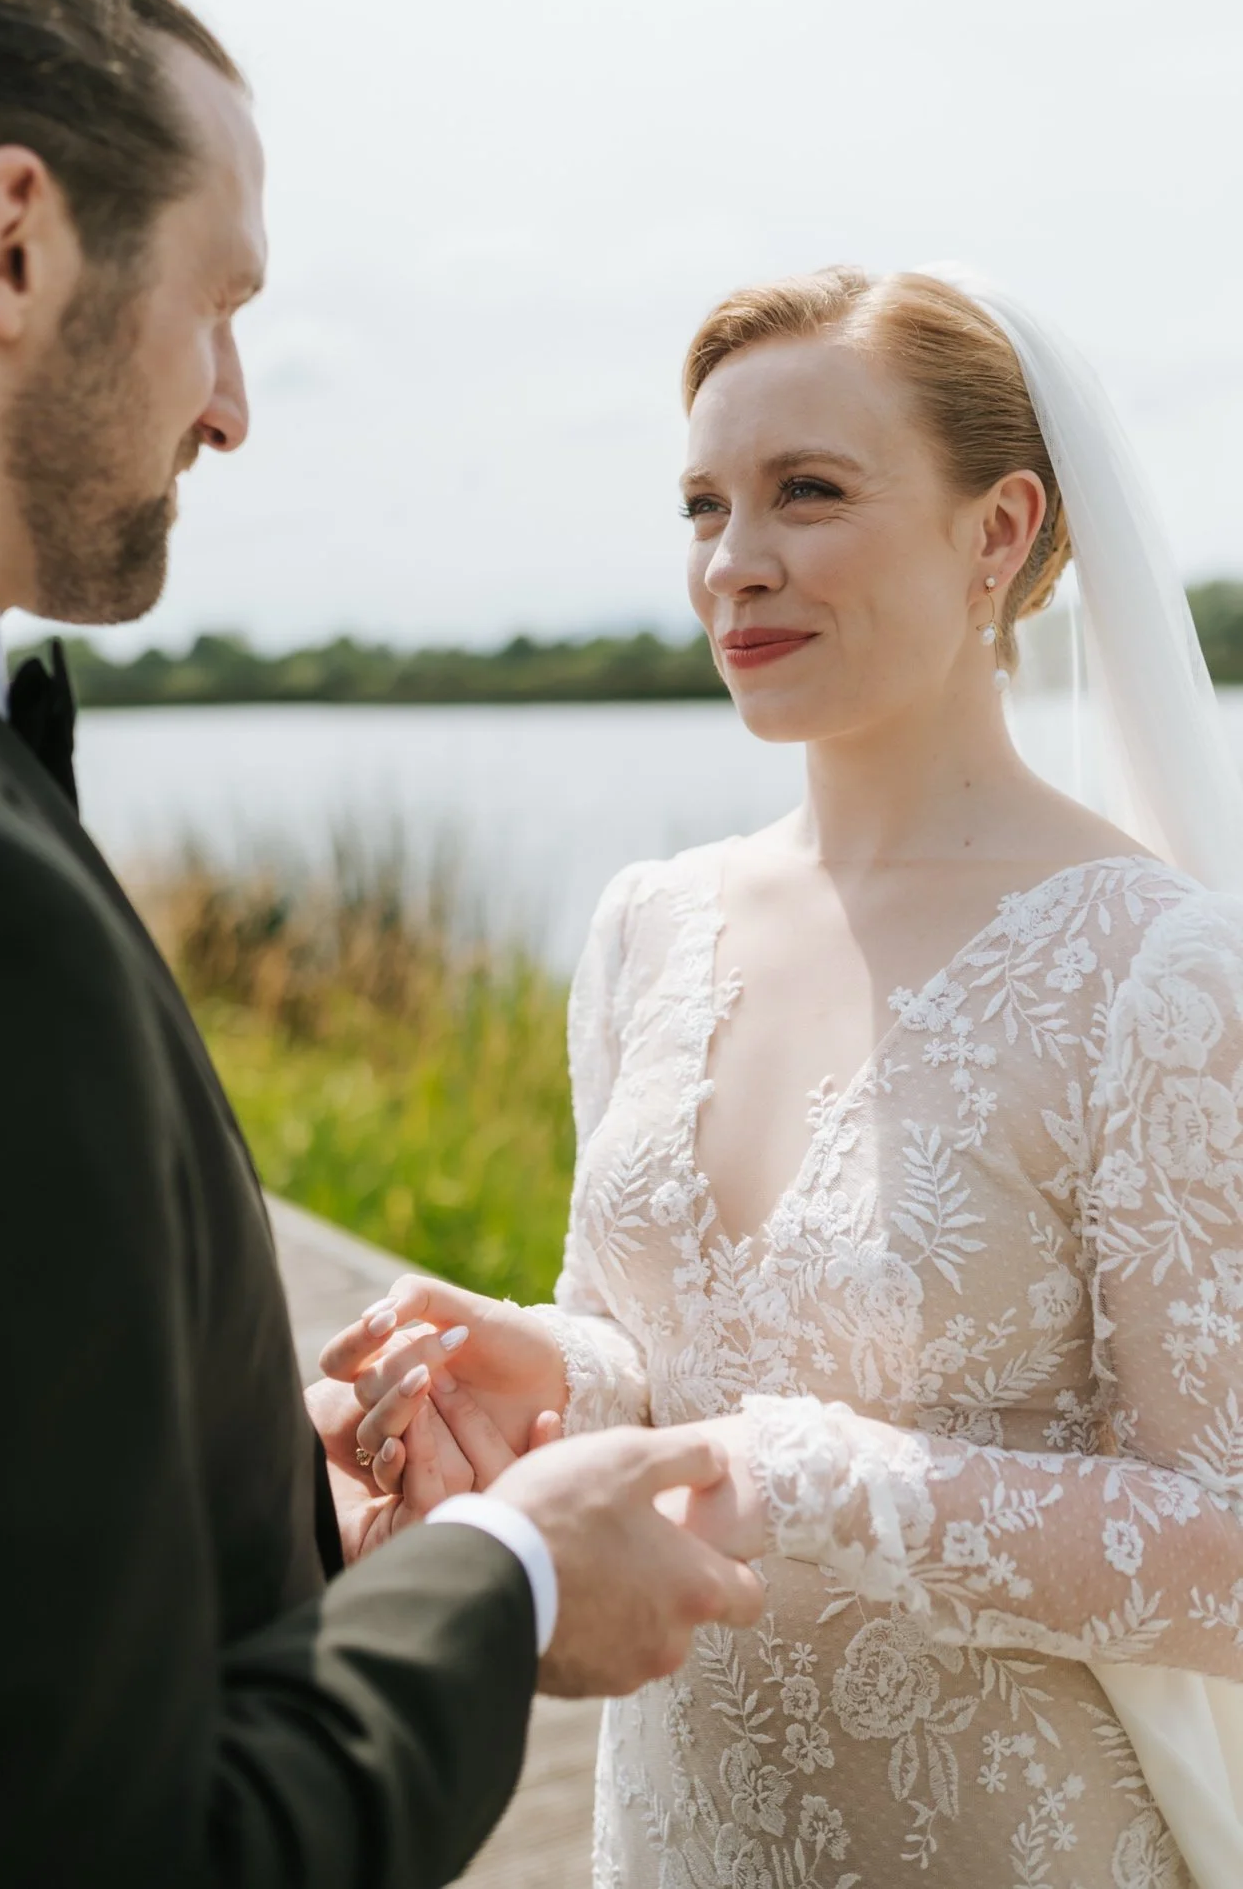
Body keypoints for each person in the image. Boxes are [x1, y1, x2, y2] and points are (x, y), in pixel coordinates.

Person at [0, 0, 772, 1889]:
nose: (229, 402)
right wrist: (507, 1576)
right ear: (14, 242)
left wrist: (212, 1491)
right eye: (220, 299)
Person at [321, 266, 1243, 1888]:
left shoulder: (1156, 970)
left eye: (807, 493)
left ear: (998, 531)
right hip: (675, 1835)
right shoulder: (646, 929)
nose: (732, 565)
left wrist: (816, 1476)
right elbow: (660, 1353)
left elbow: (1226, 1548)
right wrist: (543, 1367)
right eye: (702, 505)